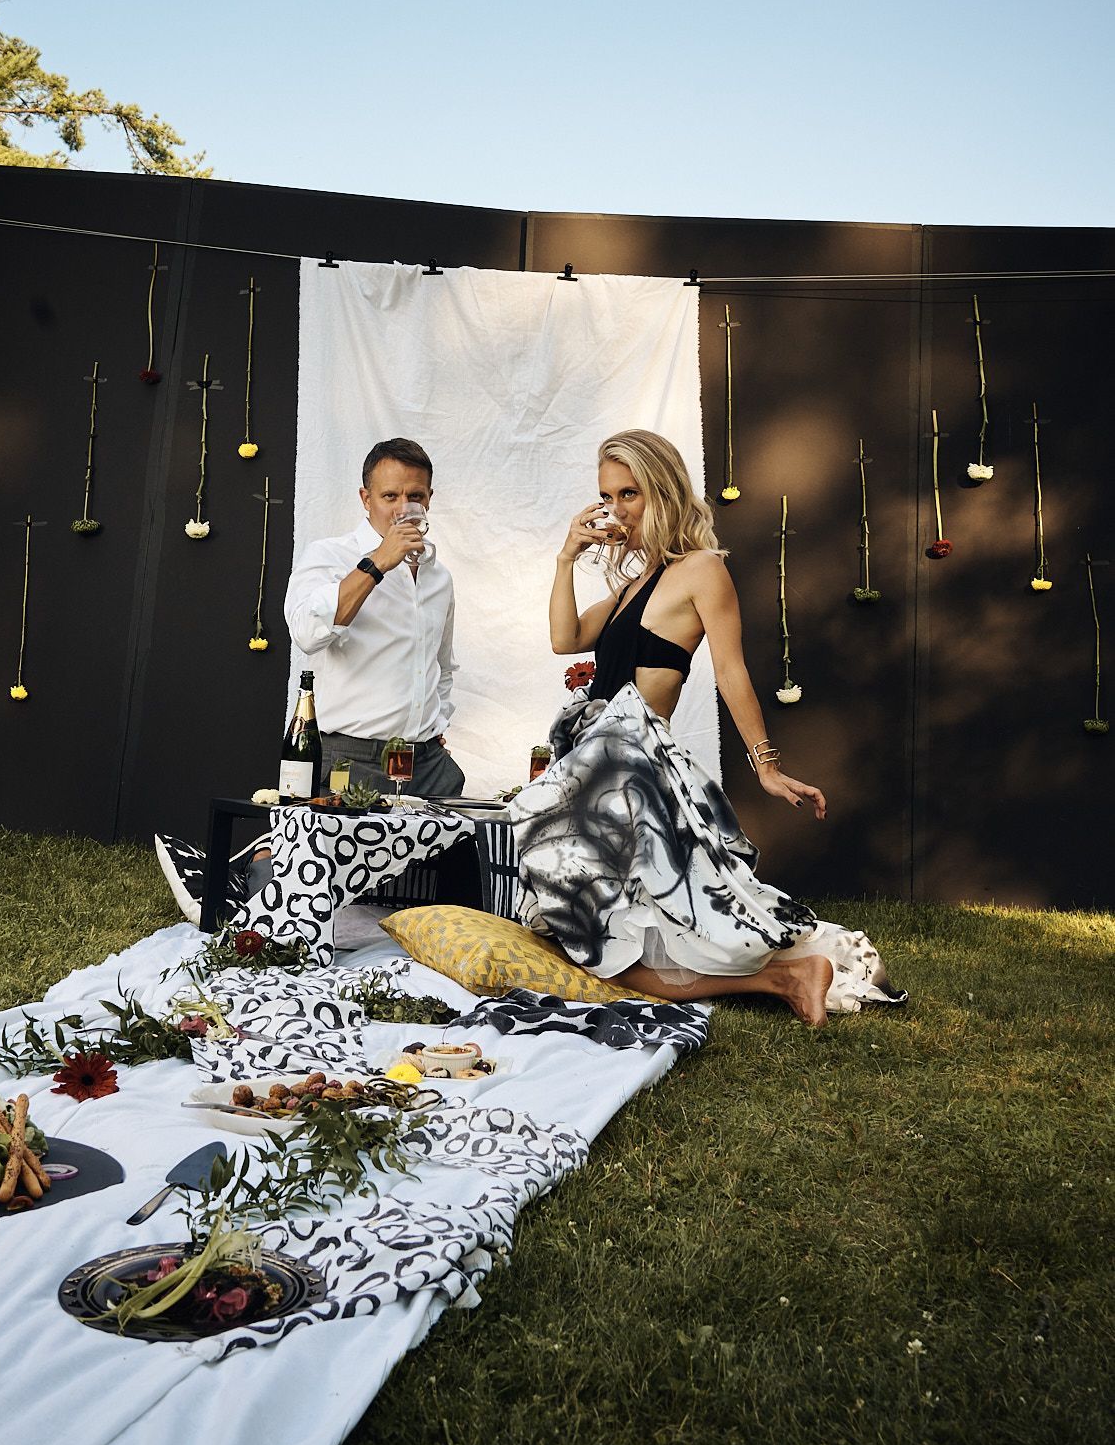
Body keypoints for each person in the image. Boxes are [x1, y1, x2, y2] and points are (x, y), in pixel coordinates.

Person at [511, 429, 903, 1026]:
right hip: (599, 758)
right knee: (594, 928)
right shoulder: (634, 583)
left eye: (630, 494)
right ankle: (788, 978)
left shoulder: (702, 569)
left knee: (592, 916)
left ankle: (789, 974)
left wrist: (766, 767)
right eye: (607, 496)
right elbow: (566, 639)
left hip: (633, 760)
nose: (616, 510)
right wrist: (566, 555)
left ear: (664, 490)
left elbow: (731, 671)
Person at [283, 437, 467, 800]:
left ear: (429, 499)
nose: (404, 508)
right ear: (366, 499)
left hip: (427, 765)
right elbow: (306, 632)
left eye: (415, 496)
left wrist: (434, 722)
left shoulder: (439, 577)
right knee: (334, 857)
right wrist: (378, 562)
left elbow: (441, 665)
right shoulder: (330, 556)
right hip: (352, 762)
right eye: (390, 496)